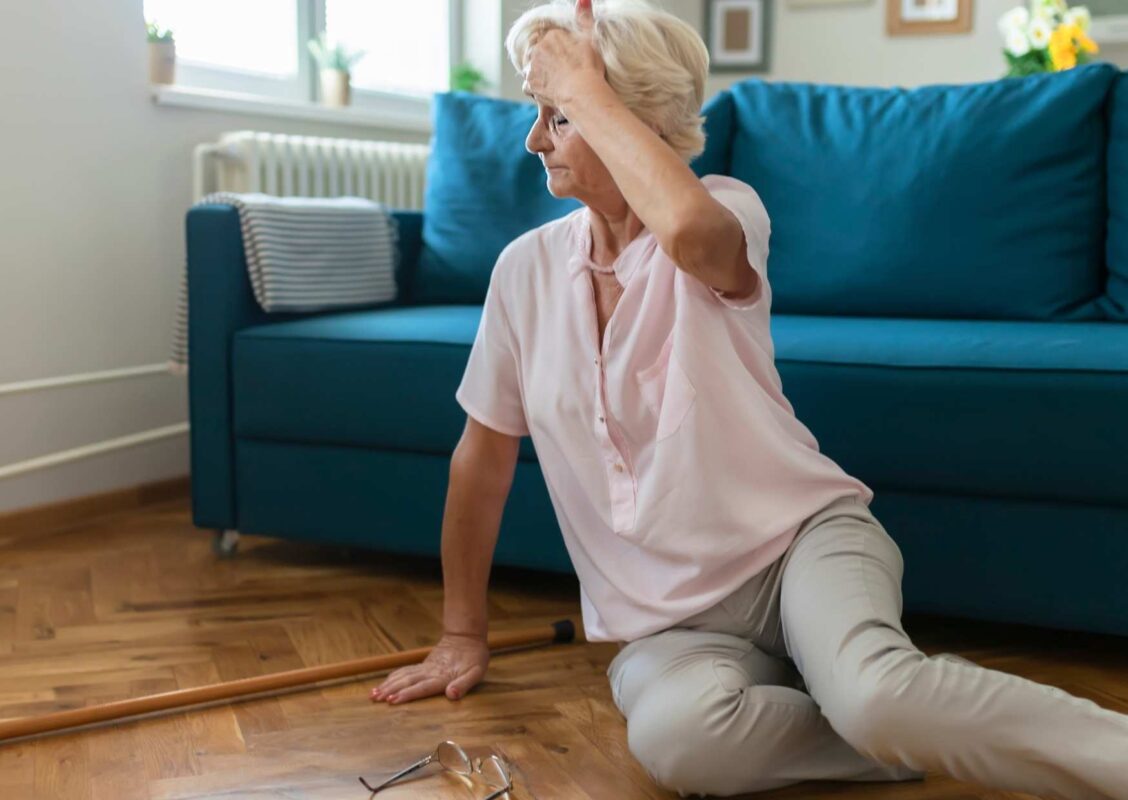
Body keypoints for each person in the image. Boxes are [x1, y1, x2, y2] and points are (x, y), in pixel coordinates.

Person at [370, 1, 1128, 797]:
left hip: (798, 548)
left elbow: (691, 235)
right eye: (541, 113)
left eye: (557, 116)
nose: (533, 140)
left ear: (628, 116)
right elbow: (482, 459)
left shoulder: (728, 209)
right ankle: (909, 732)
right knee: (681, 744)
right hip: (665, 623)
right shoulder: (523, 272)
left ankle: (921, 713)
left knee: (875, 693)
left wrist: (587, 90)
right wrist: (462, 632)